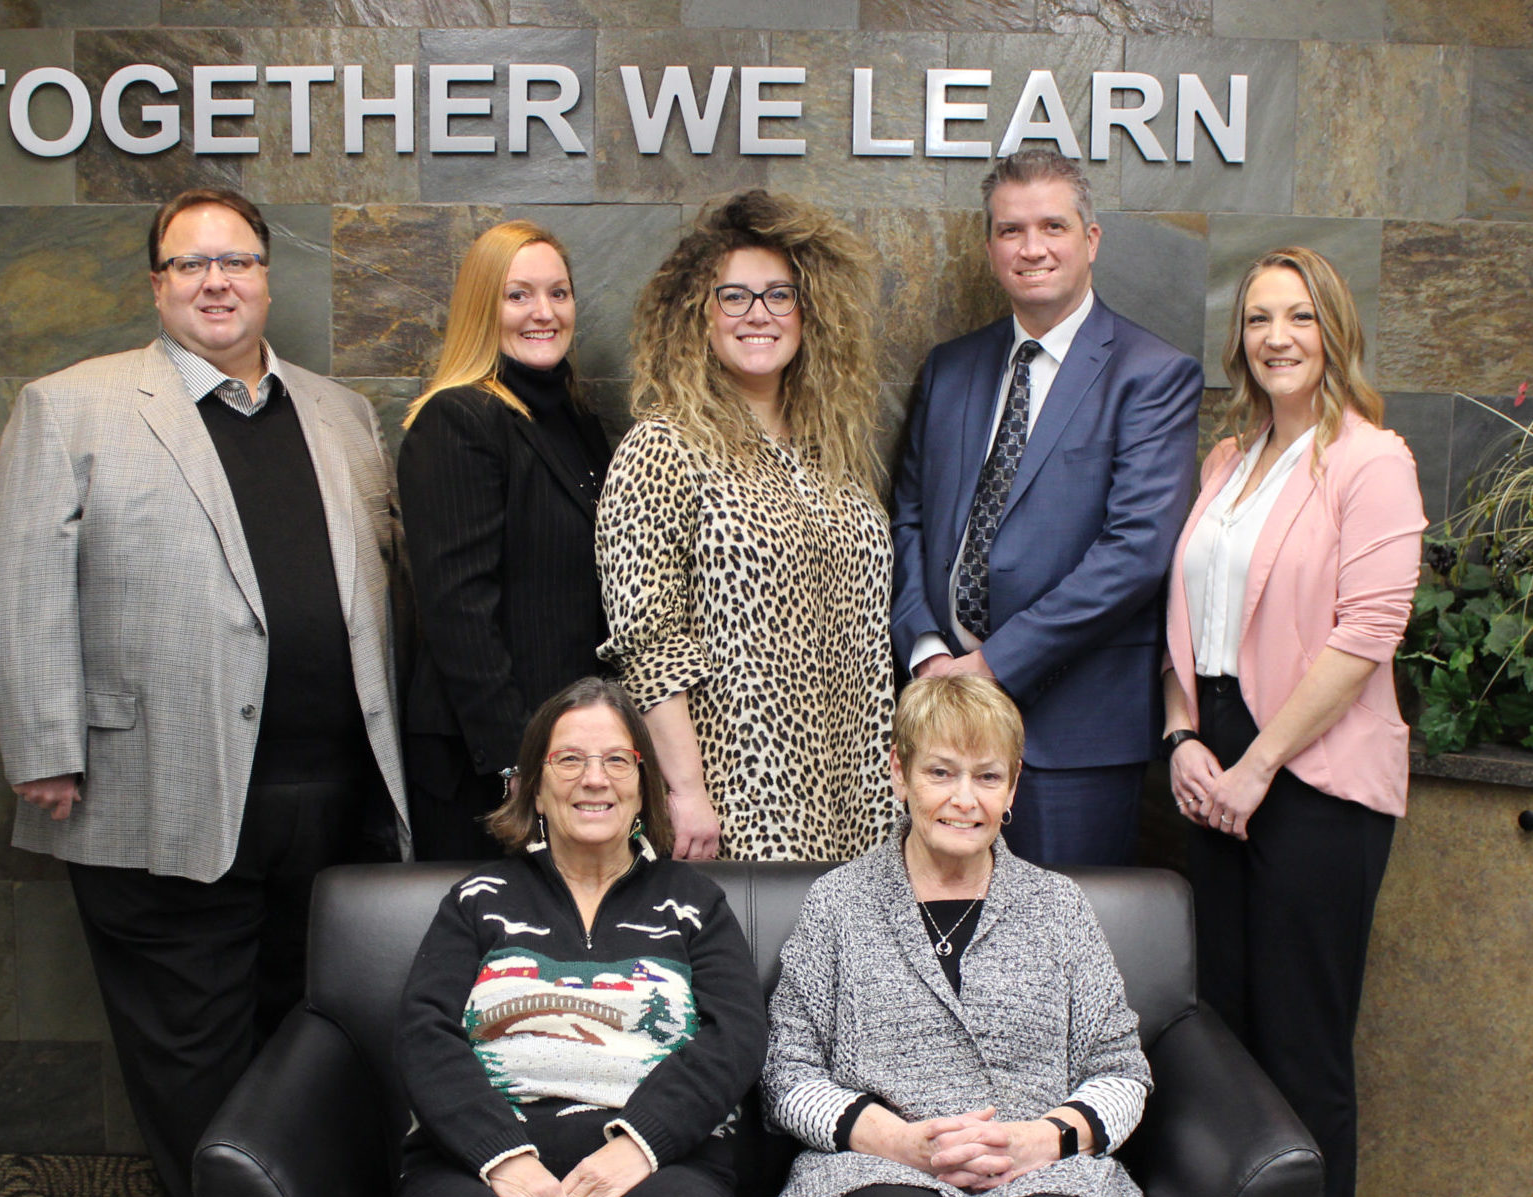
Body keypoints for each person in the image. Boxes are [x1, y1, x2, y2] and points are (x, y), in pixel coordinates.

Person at [0, 188, 409, 1197]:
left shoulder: (341, 413)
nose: (217, 281)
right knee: (189, 1037)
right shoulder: (72, 405)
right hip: (157, 783)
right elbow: (13, 581)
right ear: (156, 284)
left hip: (332, 791)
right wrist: (45, 744)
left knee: (301, 1023)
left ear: (267, 277)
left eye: (238, 260)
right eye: (191, 263)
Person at [763, 674, 1151, 1197]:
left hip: (1039, 1164)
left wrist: (1044, 1138)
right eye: (940, 772)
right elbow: (787, 1073)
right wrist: (902, 1141)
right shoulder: (838, 903)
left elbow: (1121, 1068)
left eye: (987, 777)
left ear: (1013, 788)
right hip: (878, 1164)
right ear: (899, 772)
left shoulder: (1059, 907)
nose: (963, 799)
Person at [392, 676, 767, 1197]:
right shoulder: (479, 899)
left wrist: (642, 1143)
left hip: (655, 1165)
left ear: (642, 785)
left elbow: (735, 1034)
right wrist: (502, 1157)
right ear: (533, 785)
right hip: (483, 1165)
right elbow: (424, 1031)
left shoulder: (695, 902)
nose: (594, 779)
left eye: (616, 760)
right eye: (569, 760)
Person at [1162, 246, 1424, 1197]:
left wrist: (1256, 764)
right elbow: (1183, 622)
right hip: (1212, 751)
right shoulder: (1225, 461)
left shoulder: (1370, 459)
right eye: (1259, 317)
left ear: (1334, 331)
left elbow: (1365, 635)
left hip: (1313, 772)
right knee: (1218, 1022)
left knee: (1300, 1034)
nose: (1276, 336)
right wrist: (1183, 738)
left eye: (1299, 316)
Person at [891, 150, 1205, 868]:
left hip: (1073, 738)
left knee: (1057, 930)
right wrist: (929, 653)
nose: (1031, 248)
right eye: (1011, 230)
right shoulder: (950, 368)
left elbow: (1134, 553)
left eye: (1052, 227)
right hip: (939, 725)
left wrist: (991, 664)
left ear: (1090, 239)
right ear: (989, 249)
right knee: (939, 925)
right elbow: (907, 518)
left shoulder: (1151, 375)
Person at [596, 188, 894, 862]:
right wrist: (685, 791)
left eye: (779, 295)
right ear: (697, 314)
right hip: (741, 794)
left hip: (859, 793)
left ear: (808, 312)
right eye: (733, 296)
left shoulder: (833, 452)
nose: (758, 314)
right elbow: (649, 645)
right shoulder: (663, 447)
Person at [397, 220, 614, 860]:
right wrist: (518, 765)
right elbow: (458, 610)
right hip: (488, 772)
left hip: (570, 758)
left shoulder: (578, 425)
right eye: (518, 295)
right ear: (481, 307)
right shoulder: (457, 419)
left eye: (558, 293)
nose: (543, 312)